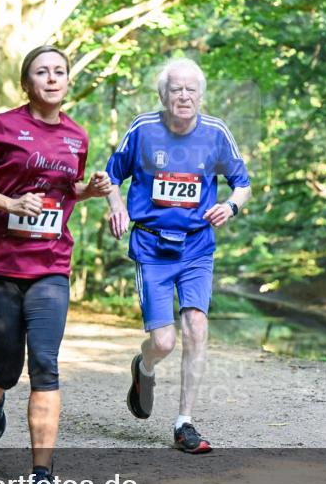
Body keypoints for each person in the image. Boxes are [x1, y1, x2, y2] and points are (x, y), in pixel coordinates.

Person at [0, 45, 111, 484]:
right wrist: (10, 203)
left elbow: (65, 192)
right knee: (9, 365)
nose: (53, 78)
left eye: (60, 71)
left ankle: (43, 475)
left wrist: (89, 191)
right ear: (27, 83)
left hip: (50, 265)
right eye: (42, 72)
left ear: (68, 81)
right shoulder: (4, 126)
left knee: (45, 363)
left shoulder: (77, 136)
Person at [104, 58, 252, 454]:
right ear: (163, 95)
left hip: (197, 247)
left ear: (200, 96)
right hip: (152, 248)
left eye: (191, 90)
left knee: (196, 327)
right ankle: (144, 367)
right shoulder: (143, 129)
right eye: (176, 89)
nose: (183, 96)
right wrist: (117, 207)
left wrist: (231, 206)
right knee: (164, 341)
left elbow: (242, 184)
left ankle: (184, 422)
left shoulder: (216, 133)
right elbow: (111, 176)